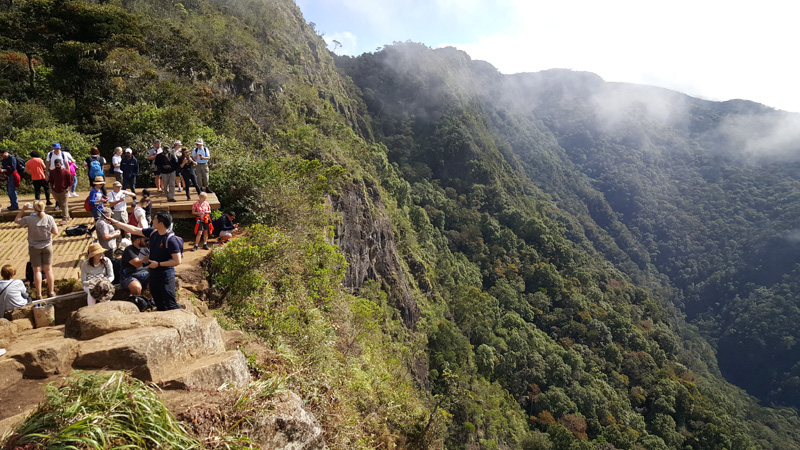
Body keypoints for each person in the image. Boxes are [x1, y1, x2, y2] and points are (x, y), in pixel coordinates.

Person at [106, 211, 182, 311]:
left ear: (161, 224)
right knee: (158, 302)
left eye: (155, 219)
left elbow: (177, 261)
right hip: (153, 273)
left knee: (170, 302)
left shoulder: (171, 240)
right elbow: (134, 229)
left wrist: (158, 264)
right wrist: (116, 222)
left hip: (165, 275)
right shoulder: (153, 232)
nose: (152, 220)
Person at [15, 201, 58, 298]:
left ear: (33, 208)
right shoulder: (49, 218)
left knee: (37, 271)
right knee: (49, 270)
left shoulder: (29, 219)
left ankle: (39, 294)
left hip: (34, 247)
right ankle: (51, 292)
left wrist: (23, 209)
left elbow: (17, 220)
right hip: (47, 246)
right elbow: (56, 232)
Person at [48, 158, 74, 225]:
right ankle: (67, 216)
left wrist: (68, 189)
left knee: (64, 204)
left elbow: (71, 182)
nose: (57, 166)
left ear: (61, 164)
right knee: (60, 203)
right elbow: (51, 181)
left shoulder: (66, 172)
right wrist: (52, 188)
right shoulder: (52, 172)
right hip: (56, 190)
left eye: (58, 165)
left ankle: (64, 218)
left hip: (64, 190)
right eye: (56, 165)